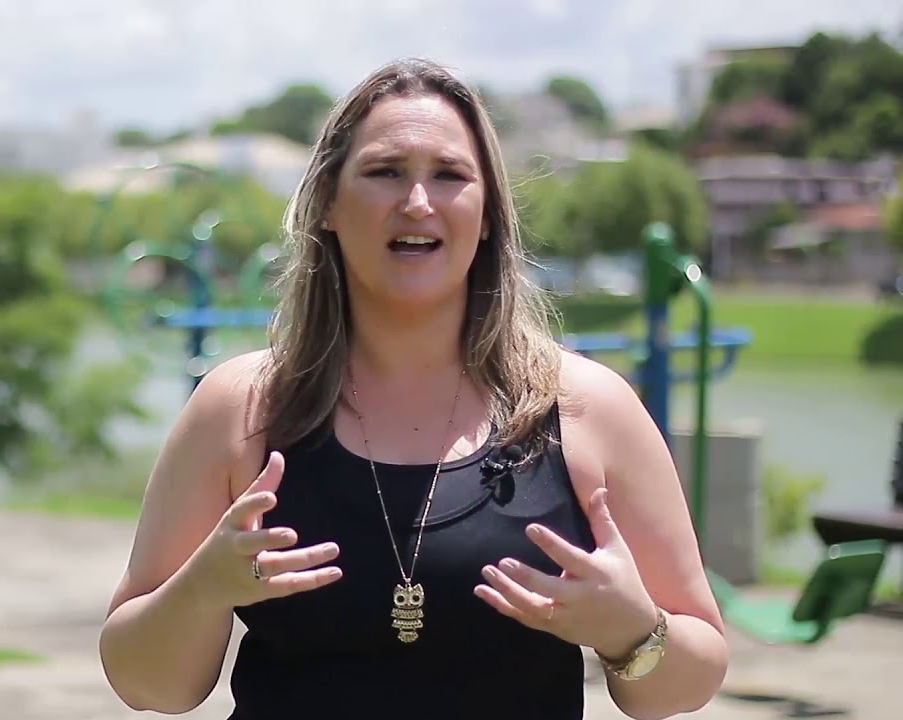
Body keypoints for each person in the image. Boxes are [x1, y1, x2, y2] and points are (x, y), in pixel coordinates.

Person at [98, 57, 728, 719]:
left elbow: (691, 680)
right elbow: (150, 688)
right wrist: (201, 591)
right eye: (385, 172)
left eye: (449, 175)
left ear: (488, 214)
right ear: (328, 203)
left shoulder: (588, 408)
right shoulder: (241, 407)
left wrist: (634, 630)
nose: (418, 202)